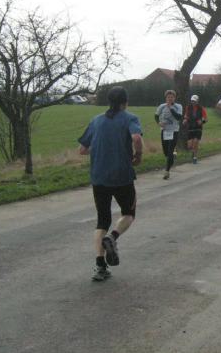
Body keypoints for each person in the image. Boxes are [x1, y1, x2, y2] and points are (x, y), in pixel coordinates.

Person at [78, 86, 143, 282]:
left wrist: (102, 148)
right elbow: (136, 137)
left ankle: (100, 266)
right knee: (129, 213)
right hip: (122, 175)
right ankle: (113, 237)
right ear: (125, 102)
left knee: (102, 220)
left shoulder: (96, 120)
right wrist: (138, 155)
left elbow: (82, 149)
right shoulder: (130, 118)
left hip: (99, 176)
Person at [155, 90, 183, 179]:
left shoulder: (178, 106)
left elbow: (178, 117)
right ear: (166, 98)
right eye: (168, 97)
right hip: (165, 131)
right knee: (166, 152)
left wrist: (171, 108)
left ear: (174, 98)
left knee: (170, 151)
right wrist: (159, 122)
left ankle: (167, 171)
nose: (170, 99)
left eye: (172, 97)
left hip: (174, 131)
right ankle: (172, 157)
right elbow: (156, 116)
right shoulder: (162, 106)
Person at [183, 94, 207, 164]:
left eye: (194, 101)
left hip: (198, 128)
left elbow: (206, 119)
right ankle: (193, 152)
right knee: (190, 146)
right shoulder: (188, 107)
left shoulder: (201, 108)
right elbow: (186, 116)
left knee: (196, 142)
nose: (193, 102)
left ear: (197, 101)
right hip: (190, 127)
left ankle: (195, 157)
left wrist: (202, 121)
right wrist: (185, 120)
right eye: (192, 101)